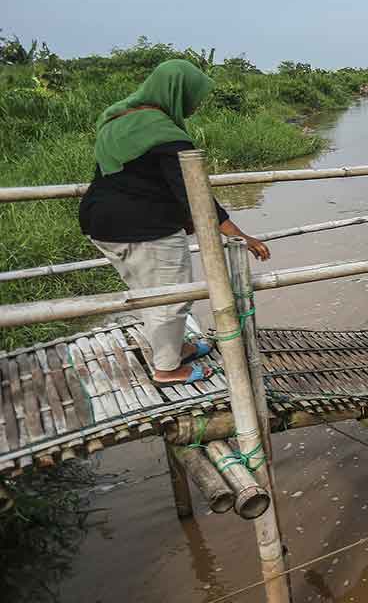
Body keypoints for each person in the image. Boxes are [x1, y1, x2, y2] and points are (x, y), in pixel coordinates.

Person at [79, 59, 270, 386]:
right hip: (145, 228)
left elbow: (137, 177)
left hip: (100, 222)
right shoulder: (166, 135)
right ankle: (167, 370)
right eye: (194, 96)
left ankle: (173, 349)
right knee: (172, 296)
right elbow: (195, 196)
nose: (195, 104)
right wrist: (242, 237)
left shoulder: (117, 118)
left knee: (146, 291)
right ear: (177, 92)